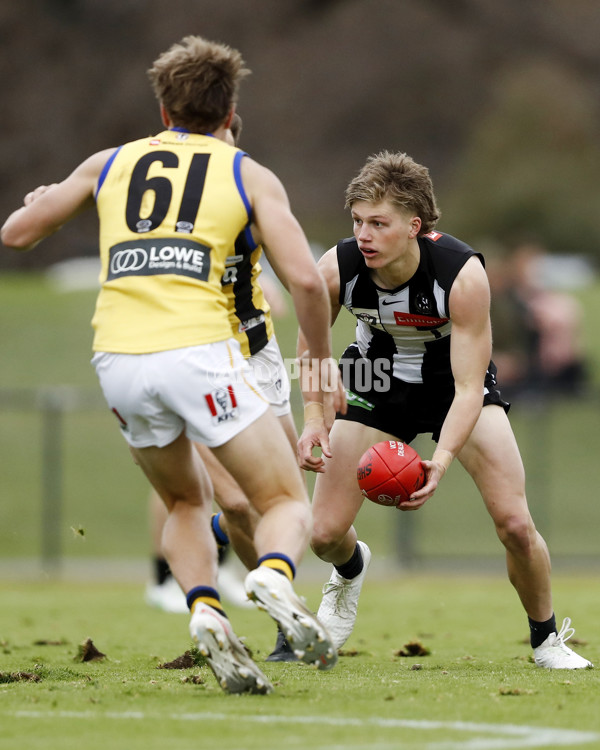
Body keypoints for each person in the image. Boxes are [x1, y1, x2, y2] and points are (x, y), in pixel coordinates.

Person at [1, 35, 344, 694]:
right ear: (230, 110)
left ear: (163, 111)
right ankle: (270, 576)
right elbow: (304, 281)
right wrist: (321, 371)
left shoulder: (110, 162)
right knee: (283, 503)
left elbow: (17, 234)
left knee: (186, 501)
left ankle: (206, 611)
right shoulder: (246, 172)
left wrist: (42, 198)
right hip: (200, 352)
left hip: (118, 360)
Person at [293, 151, 592, 670]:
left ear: (414, 225)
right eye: (358, 222)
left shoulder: (461, 273)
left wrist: (443, 459)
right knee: (322, 535)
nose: (363, 235)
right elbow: (311, 350)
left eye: (378, 224)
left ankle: (546, 642)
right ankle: (350, 569)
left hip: (451, 386)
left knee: (516, 525)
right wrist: (315, 421)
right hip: (376, 379)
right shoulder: (335, 269)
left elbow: (470, 385)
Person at [145, 114, 296, 616]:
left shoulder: (249, 183)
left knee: (276, 496)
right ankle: (179, 580)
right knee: (218, 495)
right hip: (197, 358)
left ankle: (243, 567)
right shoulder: (158, 195)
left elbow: (301, 281)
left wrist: (319, 370)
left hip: (257, 355)